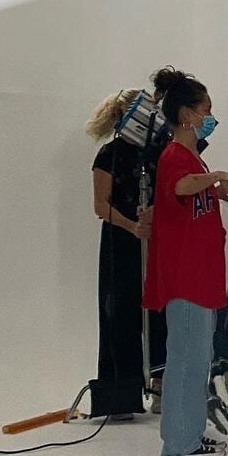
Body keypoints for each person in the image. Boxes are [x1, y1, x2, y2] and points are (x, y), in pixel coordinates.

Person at [142, 66, 228, 456]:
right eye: (206, 110)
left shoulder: (193, 160)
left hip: (199, 276)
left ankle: (189, 433)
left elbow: (191, 197)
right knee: (186, 359)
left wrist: (216, 191)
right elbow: (179, 187)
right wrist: (215, 177)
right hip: (185, 278)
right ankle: (179, 446)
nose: (210, 118)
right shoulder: (175, 156)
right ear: (187, 114)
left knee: (197, 359)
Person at [87, 89, 165, 418]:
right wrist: (132, 225)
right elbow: (100, 205)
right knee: (121, 313)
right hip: (121, 242)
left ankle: (161, 385)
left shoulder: (157, 153)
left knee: (161, 312)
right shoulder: (110, 154)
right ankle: (122, 392)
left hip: (158, 241)